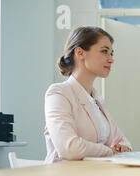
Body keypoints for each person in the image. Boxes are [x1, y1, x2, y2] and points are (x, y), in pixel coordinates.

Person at [44, 26, 132, 163]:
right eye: (104, 52)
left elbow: (123, 141)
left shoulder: (96, 100)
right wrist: (109, 150)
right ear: (80, 53)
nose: (111, 59)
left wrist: (122, 147)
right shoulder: (58, 94)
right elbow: (69, 148)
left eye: (111, 53)